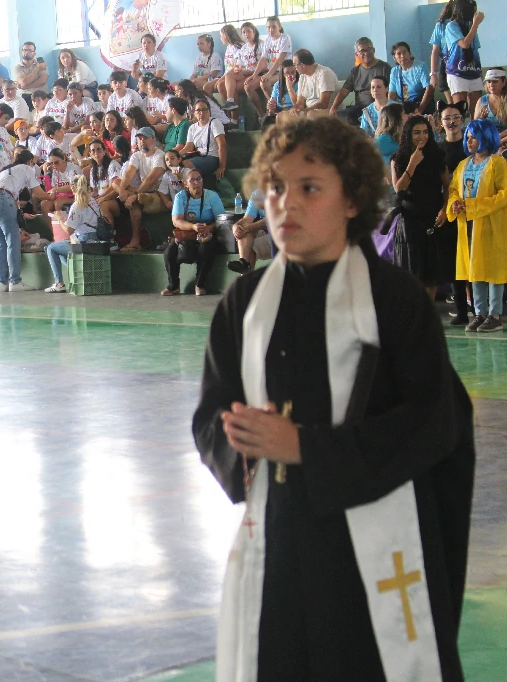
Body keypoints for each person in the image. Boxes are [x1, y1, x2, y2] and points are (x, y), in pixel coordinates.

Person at [194, 115, 474, 682]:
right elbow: (211, 412)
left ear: (352, 200)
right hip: (279, 536)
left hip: (371, 550)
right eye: (275, 187)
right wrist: (236, 442)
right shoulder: (244, 302)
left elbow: (434, 422)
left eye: (309, 187)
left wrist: (306, 447)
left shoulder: (395, 300)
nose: (286, 204)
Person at [447, 118, 507, 332]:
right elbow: (454, 190)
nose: (469, 141)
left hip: (491, 225)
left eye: (474, 137)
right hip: (468, 225)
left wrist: (475, 206)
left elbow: (504, 194)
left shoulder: (497, 163)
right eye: (468, 137)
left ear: (486, 137)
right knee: (474, 269)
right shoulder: (463, 165)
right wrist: (454, 203)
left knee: (493, 270)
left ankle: (495, 315)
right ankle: (479, 313)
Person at [391, 115, 450, 299]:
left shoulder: (437, 156)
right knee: (412, 270)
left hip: (433, 215)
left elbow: (447, 186)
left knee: (432, 271)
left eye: (425, 132)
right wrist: (412, 164)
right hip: (410, 218)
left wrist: (445, 208)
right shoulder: (398, 159)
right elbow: (399, 188)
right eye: (417, 132)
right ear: (408, 135)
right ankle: (416, 311)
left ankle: (428, 311)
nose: (422, 136)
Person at [0, 149, 53, 292]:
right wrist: (53, 196)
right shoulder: (27, 168)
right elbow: (38, 193)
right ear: (29, 161)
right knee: (13, 241)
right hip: (1, 198)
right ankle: (15, 281)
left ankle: (2, 282)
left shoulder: (7, 170)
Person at [162, 169, 224, 296]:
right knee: (169, 251)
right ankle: (173, 286)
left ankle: (200, 285)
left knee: (206, 247)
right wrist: (193, 227)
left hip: (208, 233)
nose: (196, 182)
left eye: (199, 179)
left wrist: (208, 229)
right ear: (186, 184)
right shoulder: (180, 197)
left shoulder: (212, 196)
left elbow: (221, 220)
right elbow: (176, 221)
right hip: (187, 234)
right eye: (192, 180)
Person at [437, 101, 471, 324]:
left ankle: (481, 308)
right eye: (447, 118)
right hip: (450, 210)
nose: (452, 122)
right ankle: (461, 310)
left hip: (473, 209)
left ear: (462, 120)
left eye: (456, 117)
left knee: (475, 259)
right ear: (441, 123)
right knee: (454, 261)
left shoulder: (471, 145)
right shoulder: (438, 150)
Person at [44, 175, 102, 293]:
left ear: (72, 188)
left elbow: (68, 230)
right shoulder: (93, 201)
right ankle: (77, 273)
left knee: (50, 248)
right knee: (59, 249)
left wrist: (60, 218)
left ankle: (59, 283)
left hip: (83, 241)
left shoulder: (77, 205)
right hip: (95, 238)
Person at [112, 127, 166, 252]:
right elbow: (128, 174)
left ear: (153, 140)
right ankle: (135, 241)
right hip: (143, 190)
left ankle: (136, 240)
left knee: (137, 199)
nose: (142, 141)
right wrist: (122, 191)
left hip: (159, 193)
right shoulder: (136, 155)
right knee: (117, 183)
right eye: (139, 138)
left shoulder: (160, 155)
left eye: (145, 138)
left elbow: (151, 179)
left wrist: (134, 194)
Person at [329, 37, 392, 124]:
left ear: (373, 50)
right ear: (357, 54)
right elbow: (344, 92)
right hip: (360, 109)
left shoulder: (385, 68)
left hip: (379, 108)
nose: (366, 53)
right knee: (341, 117)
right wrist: (333, 108)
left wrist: (386, 108)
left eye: (368, 49)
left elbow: (392, 91)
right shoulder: (355, 71)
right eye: (362, 51)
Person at [436, 0, 484, 110]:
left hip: (473, 71)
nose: (474, 14)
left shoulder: (471, 27)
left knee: (476, 109)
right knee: (460, 108)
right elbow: (465, 44)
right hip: (457, 72)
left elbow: (474, 48)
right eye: (473, 11)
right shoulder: (451, 26)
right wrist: (475, 24)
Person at [178, 100, 228, 187]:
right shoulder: (192, 128)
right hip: (198, 156)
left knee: (185, 164)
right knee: (175, 162)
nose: (201, 113)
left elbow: (222, 144)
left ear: (209, 111)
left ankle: (188, 188)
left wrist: (222, 167)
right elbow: (188, 147)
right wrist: (175, 156)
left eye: (204, 110)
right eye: (198, 110)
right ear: (194, 112)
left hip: (212, 157)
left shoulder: (214, 123)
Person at [279, 49, 338, 122]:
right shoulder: (302, 77)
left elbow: (323, 104)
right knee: (281, 116)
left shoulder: (324, 73)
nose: (295, 68)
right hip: (308, 111)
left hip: (329, 111)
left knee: (311, 114)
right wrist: (294, 109)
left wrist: (304, 111)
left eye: (295, 65)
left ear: (302, 65)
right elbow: (300, 103)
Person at [228, 190, 271, 274]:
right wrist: (236, 226)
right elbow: (247, 219)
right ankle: (243, 262)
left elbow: (273, 219)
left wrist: (249, 228)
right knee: (243, 232)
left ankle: (244, 271)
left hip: (283, 234)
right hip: (266, 230)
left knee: (249, 247)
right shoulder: (257, 193)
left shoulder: (282, 190)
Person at [252, 16, 292, 105]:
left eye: (274, 27)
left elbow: (280, 59)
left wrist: (269, 74)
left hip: (283, 72)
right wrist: (254, 75)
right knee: (248, 86)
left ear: (279, 27)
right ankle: (269, 109)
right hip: (272, 71)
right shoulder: (268, 40)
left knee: (264, 83)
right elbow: (263, 59)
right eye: (268, 27)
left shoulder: (285, 38)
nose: (271, 30)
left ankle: (276, 106)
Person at [389, 42, 434, 114]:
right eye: (399, 54)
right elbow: (392, 95)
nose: (402, 56)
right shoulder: (394, 71)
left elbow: (429, 89)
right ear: (394, 57)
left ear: (409, 53)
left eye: (404, 52)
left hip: (420, 106)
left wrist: (420, 110)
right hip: (404, 109)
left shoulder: (420, 67)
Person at [474, 68, 507, 146]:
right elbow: (474, 127)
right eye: (489, 81)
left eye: (495, 81)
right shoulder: (482, 101)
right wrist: (481, 119)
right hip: (488, 139)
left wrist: (499, 138)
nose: (491, 84)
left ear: (503, 82)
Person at [14, 42, 48, 109]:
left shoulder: (41, 64)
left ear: (34, 53)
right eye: (25, 50)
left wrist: (26, 86)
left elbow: (42, 81)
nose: (27, 52)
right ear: (22, 52)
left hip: (41, 95)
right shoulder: (17, 68)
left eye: (30, 50)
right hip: (26, 96)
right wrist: (37, 68)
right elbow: (24, 82)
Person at [374, 102, 405, 167]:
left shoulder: (401, 136)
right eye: (403, 114)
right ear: (396, 118)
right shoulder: (383, 140)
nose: (406, 116)